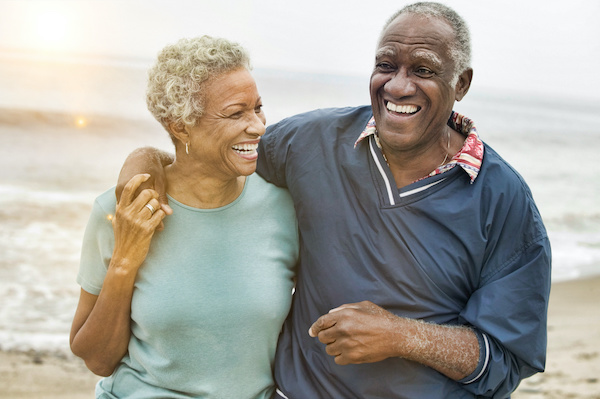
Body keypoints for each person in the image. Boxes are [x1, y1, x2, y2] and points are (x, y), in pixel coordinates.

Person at [117, 2, 551, 398]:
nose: (399, 86)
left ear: (461, 83)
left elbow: (508, 359)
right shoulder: (312, 141)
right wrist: (143, 163)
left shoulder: (504, 199)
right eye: (386, 65)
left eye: (423, 70)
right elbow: (213, 156)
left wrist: (401, 336)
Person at [70, 36, 299, 398]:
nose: (257, 126)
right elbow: (97, 359)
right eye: (236, 112)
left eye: (258, 108)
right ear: (179, 125)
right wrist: (125, 260)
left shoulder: (284, 210)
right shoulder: (120, 212)